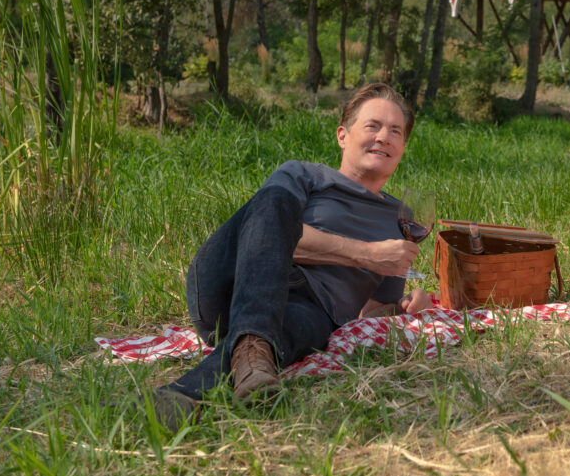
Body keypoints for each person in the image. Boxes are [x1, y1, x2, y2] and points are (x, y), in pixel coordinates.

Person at [150, 83, 431, 430]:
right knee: (274, 199)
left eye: (395, 131)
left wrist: (403, 305)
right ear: (343, 135)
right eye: (372, 126)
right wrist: (368, 254)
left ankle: (190, 392)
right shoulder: (305, 175)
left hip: (311, 311)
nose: (384, 137)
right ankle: (253, 346)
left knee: (297, 329)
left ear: (403, 147)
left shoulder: (400, 219)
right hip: (231, 282)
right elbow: (271, 236)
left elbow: (366, 313)